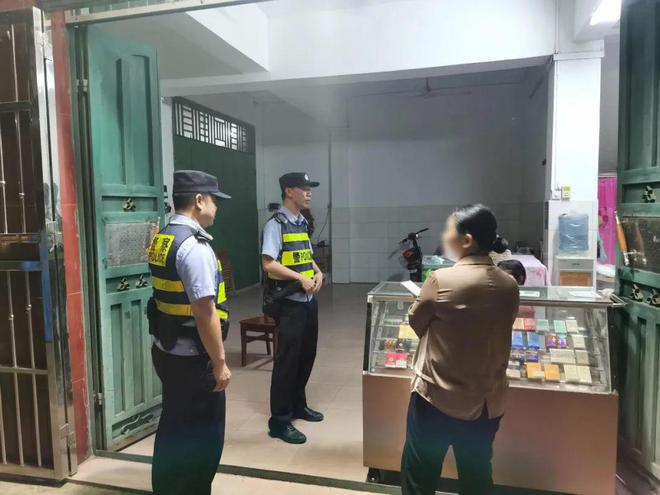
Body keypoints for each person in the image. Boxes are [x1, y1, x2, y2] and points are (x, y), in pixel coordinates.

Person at [400, 204, 520, 495]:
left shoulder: (441, 280)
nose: (444, 235)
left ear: (466, 240)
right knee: (476, 477)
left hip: (436, 399)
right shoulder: (509, 285)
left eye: (448, 230)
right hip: (487, 404)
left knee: (420, 476)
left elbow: (416, 322)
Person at [147, 170, 232, 495]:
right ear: (198, 201)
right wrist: (219, 363)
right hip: (193, 360)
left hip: (167, 350)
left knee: (174, 427)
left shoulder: (163, 237)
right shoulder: (195, 248)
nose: (217, 207)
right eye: (214, 200)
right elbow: (204, 312)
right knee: (204, 435)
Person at [261, 172, 325, 444]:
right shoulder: (276, 224)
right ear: (289, 191)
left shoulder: (301, 222)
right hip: (289, 304)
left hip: (308, 302)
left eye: (310, 188)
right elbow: (269, 264)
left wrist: (317, 271)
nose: (309, 193)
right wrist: (300, 278)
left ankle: (299, 405)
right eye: (304, 188)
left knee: (306, 356)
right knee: (287, 362)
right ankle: (279, 421)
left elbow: (306, 256)